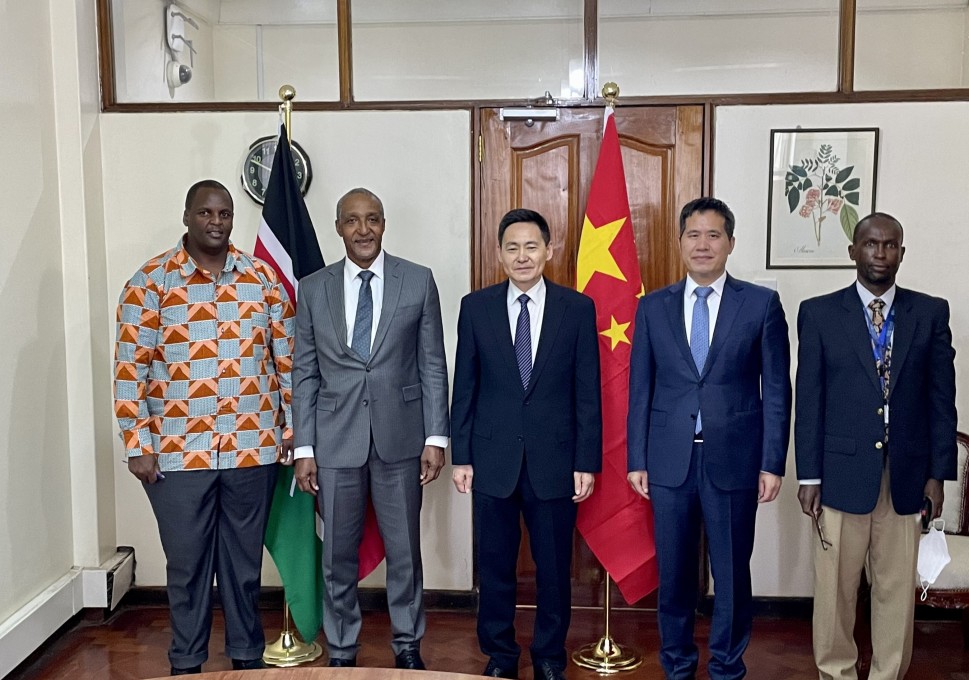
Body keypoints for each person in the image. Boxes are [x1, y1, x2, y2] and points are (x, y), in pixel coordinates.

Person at [113, 179, 294, 676]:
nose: (216, 222)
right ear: (187, 215)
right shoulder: (150, 282)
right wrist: (137, 444)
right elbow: (131, 369)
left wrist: (293, 431)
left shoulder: (262, 279)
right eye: (206, 212)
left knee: (243, 567)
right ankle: (187, 663)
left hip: (250, 449)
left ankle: (246, 656)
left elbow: (288, 364)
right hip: (175, 453)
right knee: (188, 566)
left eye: (225, 213)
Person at [627, 197, 791, 680]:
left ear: (731, 244)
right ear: (680, 243)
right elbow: (640, 389)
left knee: (732, 573)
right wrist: (637, 458)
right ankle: (676, 665)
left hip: (735, 461)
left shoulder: (760, 304)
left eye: (713, 235)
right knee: (674, 574)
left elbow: (778, 389)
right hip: (669, 461)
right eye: (693, 235)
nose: (703, 244)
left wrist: (772, 461)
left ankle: (726, 667)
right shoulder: (652, 307)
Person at [291, 188, 449, 669]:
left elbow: (433, 365)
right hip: (335, 442)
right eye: (353, 221)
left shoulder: (417, 281)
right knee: (337, 558)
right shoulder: (313, 288)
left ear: (384, 224)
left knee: (405, 555)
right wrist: (304, 447)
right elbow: (305, 371)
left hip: (401, 441)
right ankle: (341, 651)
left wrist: (435, 437)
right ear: (338, 227)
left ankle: (407, 648)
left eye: (373, 219)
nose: (364, 230)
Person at [795, 213, 957, 680]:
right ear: (853, 251)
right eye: (871, 244)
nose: (880, 254)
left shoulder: (929, 313)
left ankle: (888, 674)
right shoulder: (820, 312)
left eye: (890, 246)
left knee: (895, 592)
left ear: (902, 253)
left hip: (905, 477)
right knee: (835, 593)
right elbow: (810, 399)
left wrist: (937, 474)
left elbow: (941, 401)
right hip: (840, 475)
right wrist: (809, 475)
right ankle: (837, 673)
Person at [450, 209, 602, 680]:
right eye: (512, 247)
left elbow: (587, 391)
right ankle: (499, 655)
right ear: (499, 254)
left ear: (549, 251)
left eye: (531, 246)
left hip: (555, 461)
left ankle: (550, 658)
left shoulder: (577, 309)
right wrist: (462, 456)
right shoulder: (475, 307)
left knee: (554, 569)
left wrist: (586, 460)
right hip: (492, 459)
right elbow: (466, 388)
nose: (522, 256)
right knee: (495, 567)